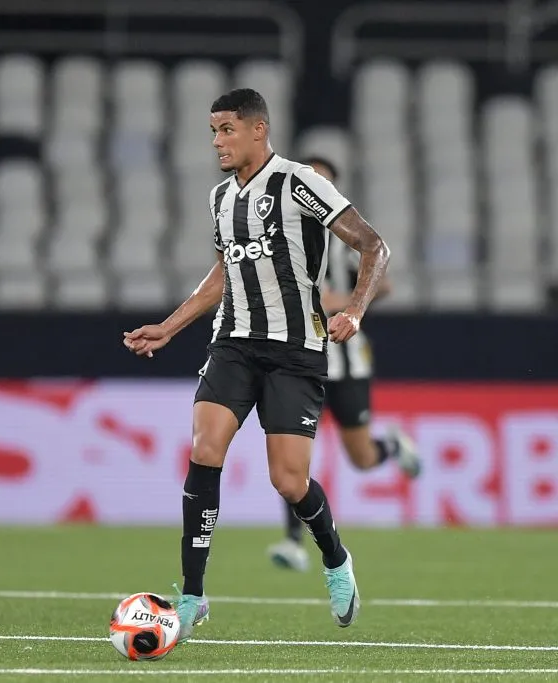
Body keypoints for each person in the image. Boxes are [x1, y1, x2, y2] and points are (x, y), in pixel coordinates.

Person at [124, 89, 390, 638]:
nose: (217, 141)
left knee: (289, 481)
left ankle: (336, 559)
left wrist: (357, 310)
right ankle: (193, 595)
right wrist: (169, 327)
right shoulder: (221, 196)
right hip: (235, 343)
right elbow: (223, 274)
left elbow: (372, 245)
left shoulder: (299, 183)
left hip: (296, 351)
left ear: (257, 130)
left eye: (226, 129)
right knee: (204, 447)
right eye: (213, 130)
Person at [267, 157, 421, 573]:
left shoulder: (342, 236)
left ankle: (391, 447)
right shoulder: (279, 234)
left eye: (323, 180)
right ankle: (292, 541)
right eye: (309, 178)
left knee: (362, 457)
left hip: (346, 360)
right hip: (300, 359)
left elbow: (381, 279)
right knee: (293, 452)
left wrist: (347, 302)